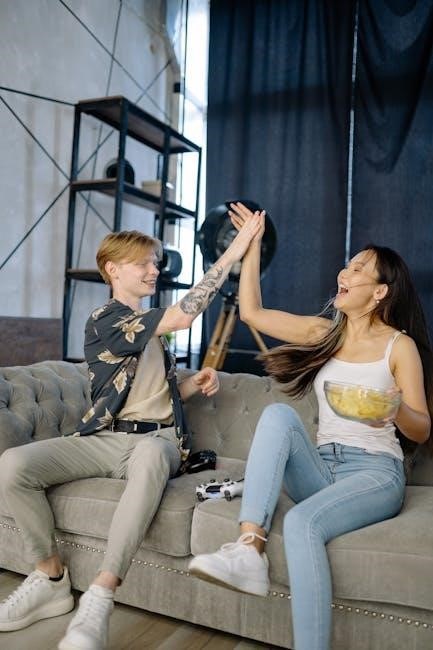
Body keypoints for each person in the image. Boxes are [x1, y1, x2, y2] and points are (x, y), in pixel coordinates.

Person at [0, 215, 261, 650]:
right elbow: (184, 316)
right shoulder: (106, 319)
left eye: (155, 262)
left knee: (153, 455)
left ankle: (100, 596)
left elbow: (153, 395)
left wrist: (190, 385)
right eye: (143, 263)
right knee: (13, 464)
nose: (154, 270)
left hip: (156, 441)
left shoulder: (153, 331)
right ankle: (49, 576)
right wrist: (234, 251)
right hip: (106, 439)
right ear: (113, 269)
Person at [189, 202, 433, 650]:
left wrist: (395, 409)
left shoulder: (399, 348)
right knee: (278, 415)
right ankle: (248, 549)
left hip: (374, 472)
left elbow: (421, 430)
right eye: (348, 265)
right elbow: (252, 313)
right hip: (321, 467)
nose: (345, 272)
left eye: (358, 269)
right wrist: (252, 247)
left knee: (302, 522)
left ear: (380, 292)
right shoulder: (326, 334)